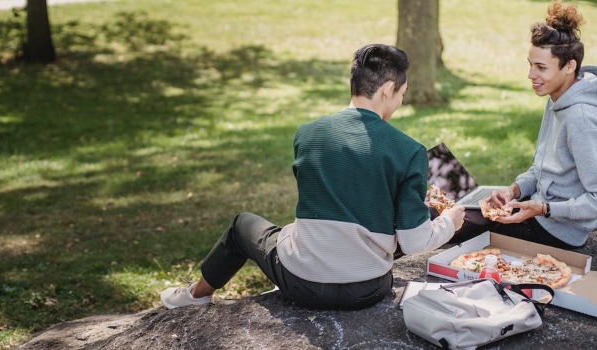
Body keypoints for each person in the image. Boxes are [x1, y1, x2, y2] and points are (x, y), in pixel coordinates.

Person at [161, 44, 465, 310]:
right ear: (387, 89)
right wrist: (449, 222)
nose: (399, 102)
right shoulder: (409, 150)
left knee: (242, 225)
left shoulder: (307, 134)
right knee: (410, 221)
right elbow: (414, 243)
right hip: (369, 289)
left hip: (301, 284)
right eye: (402, 93)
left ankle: (196, 295)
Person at [455, 0, 597, 250]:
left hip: (556, 233)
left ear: (570, 66)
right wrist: (513, 190)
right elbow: (543, 170)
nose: (531, 76)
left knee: (452, 221)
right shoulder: (557, 98)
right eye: (530, 64)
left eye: (541, 67)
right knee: (454, 208)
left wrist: (544, 209)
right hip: (540, 214)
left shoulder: (582, 119)